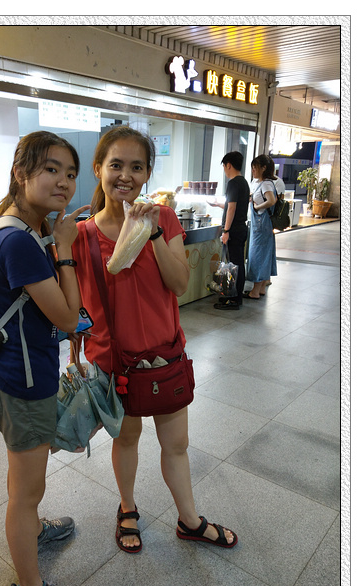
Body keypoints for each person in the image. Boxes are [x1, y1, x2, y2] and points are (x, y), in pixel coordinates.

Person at [72, 126, 238, 553]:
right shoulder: (82, 235)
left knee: (176, 445)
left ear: (147, 173)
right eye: (116, 165)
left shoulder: (163, 219)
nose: (125, 175)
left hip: (165, 357)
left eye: (136, 167)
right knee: (126, 439)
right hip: (117, 363)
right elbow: (73, 306)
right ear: (98, 168)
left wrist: (154, 232)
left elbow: (179, 283)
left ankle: (189, 520)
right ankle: (127, 508)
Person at [0, 131, 90, 586]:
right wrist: (65, 249)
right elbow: (68, 317)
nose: (64, 182)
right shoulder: (19, 240)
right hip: (22, 382)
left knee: (23, 476)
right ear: (21, 173)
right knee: (26, 493)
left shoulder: (13, 226)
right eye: (51, 169)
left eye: (70, 173)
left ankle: (34, 529)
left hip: (9, 373)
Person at [208, 151, 250, 310]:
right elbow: (233, 206)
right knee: (238, 264)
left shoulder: (233, 183)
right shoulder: (243, 182)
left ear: (229, 165)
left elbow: (232, 208)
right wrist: (218, 205)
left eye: (224, 166)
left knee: (234, 266)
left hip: (233, 230)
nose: (225, 170)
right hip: (241, 228)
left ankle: (234, 299)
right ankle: (235, 297)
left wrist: (226, 231)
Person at [245, 154, 278, 300]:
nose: (253, 170)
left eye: (255, 167)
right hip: (264, 224)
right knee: (264, 254)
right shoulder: (264, 183)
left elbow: (271, 201)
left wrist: (257, 207)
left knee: (257, 255)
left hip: (261, 224)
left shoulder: (265, 184)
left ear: (263, 168)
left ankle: (255, 291)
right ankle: (261, 288)